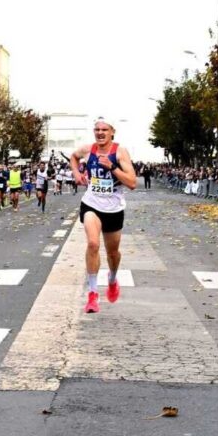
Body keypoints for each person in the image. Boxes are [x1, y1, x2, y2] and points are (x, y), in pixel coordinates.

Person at [70, 117, 136, 314]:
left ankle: (112, 279)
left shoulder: (120, 152)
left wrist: (112, 167)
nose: (100, 133)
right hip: (91, 203)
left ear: (112, 132)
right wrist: (76, 174)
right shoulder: (88, 149)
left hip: (114, 208)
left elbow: (132, 183)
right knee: (93, 244)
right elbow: (73, 157)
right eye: (97, 129)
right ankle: (92, 294)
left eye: (104, 130)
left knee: (112, 253)